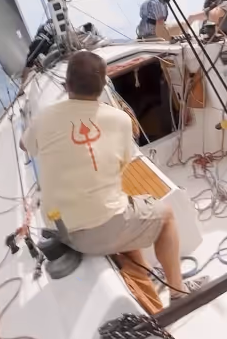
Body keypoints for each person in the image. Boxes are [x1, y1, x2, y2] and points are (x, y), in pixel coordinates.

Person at [22, 50, 187, 299]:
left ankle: (149, 277)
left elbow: (25, 145)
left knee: (125, 210)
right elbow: (122, 164)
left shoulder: (43, 118)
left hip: (63, 231)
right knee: (166, 216)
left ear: (66, 86)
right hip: (102, 229)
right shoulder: (120, 120)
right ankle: (179, 291)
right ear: (102, 87)